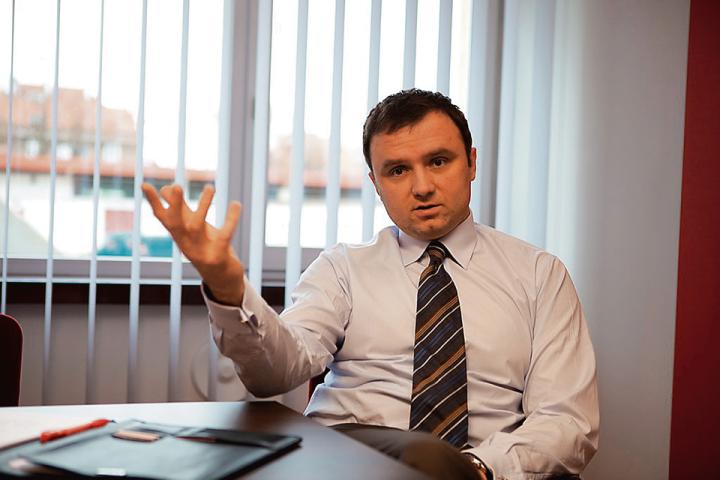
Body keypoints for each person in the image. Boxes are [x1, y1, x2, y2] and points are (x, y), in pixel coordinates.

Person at [143, 89, 599, 480]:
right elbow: (274, 373)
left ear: (472, 163)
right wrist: (228, 287)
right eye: (397, 170)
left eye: (438, 161)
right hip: (353, 459)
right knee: (422, 456)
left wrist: (477, 468)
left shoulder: (539, 274)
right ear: (376, 183)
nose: (422, 186)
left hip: (484, 467)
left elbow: (567, 421)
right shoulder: (343, 268)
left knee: (433, 461)